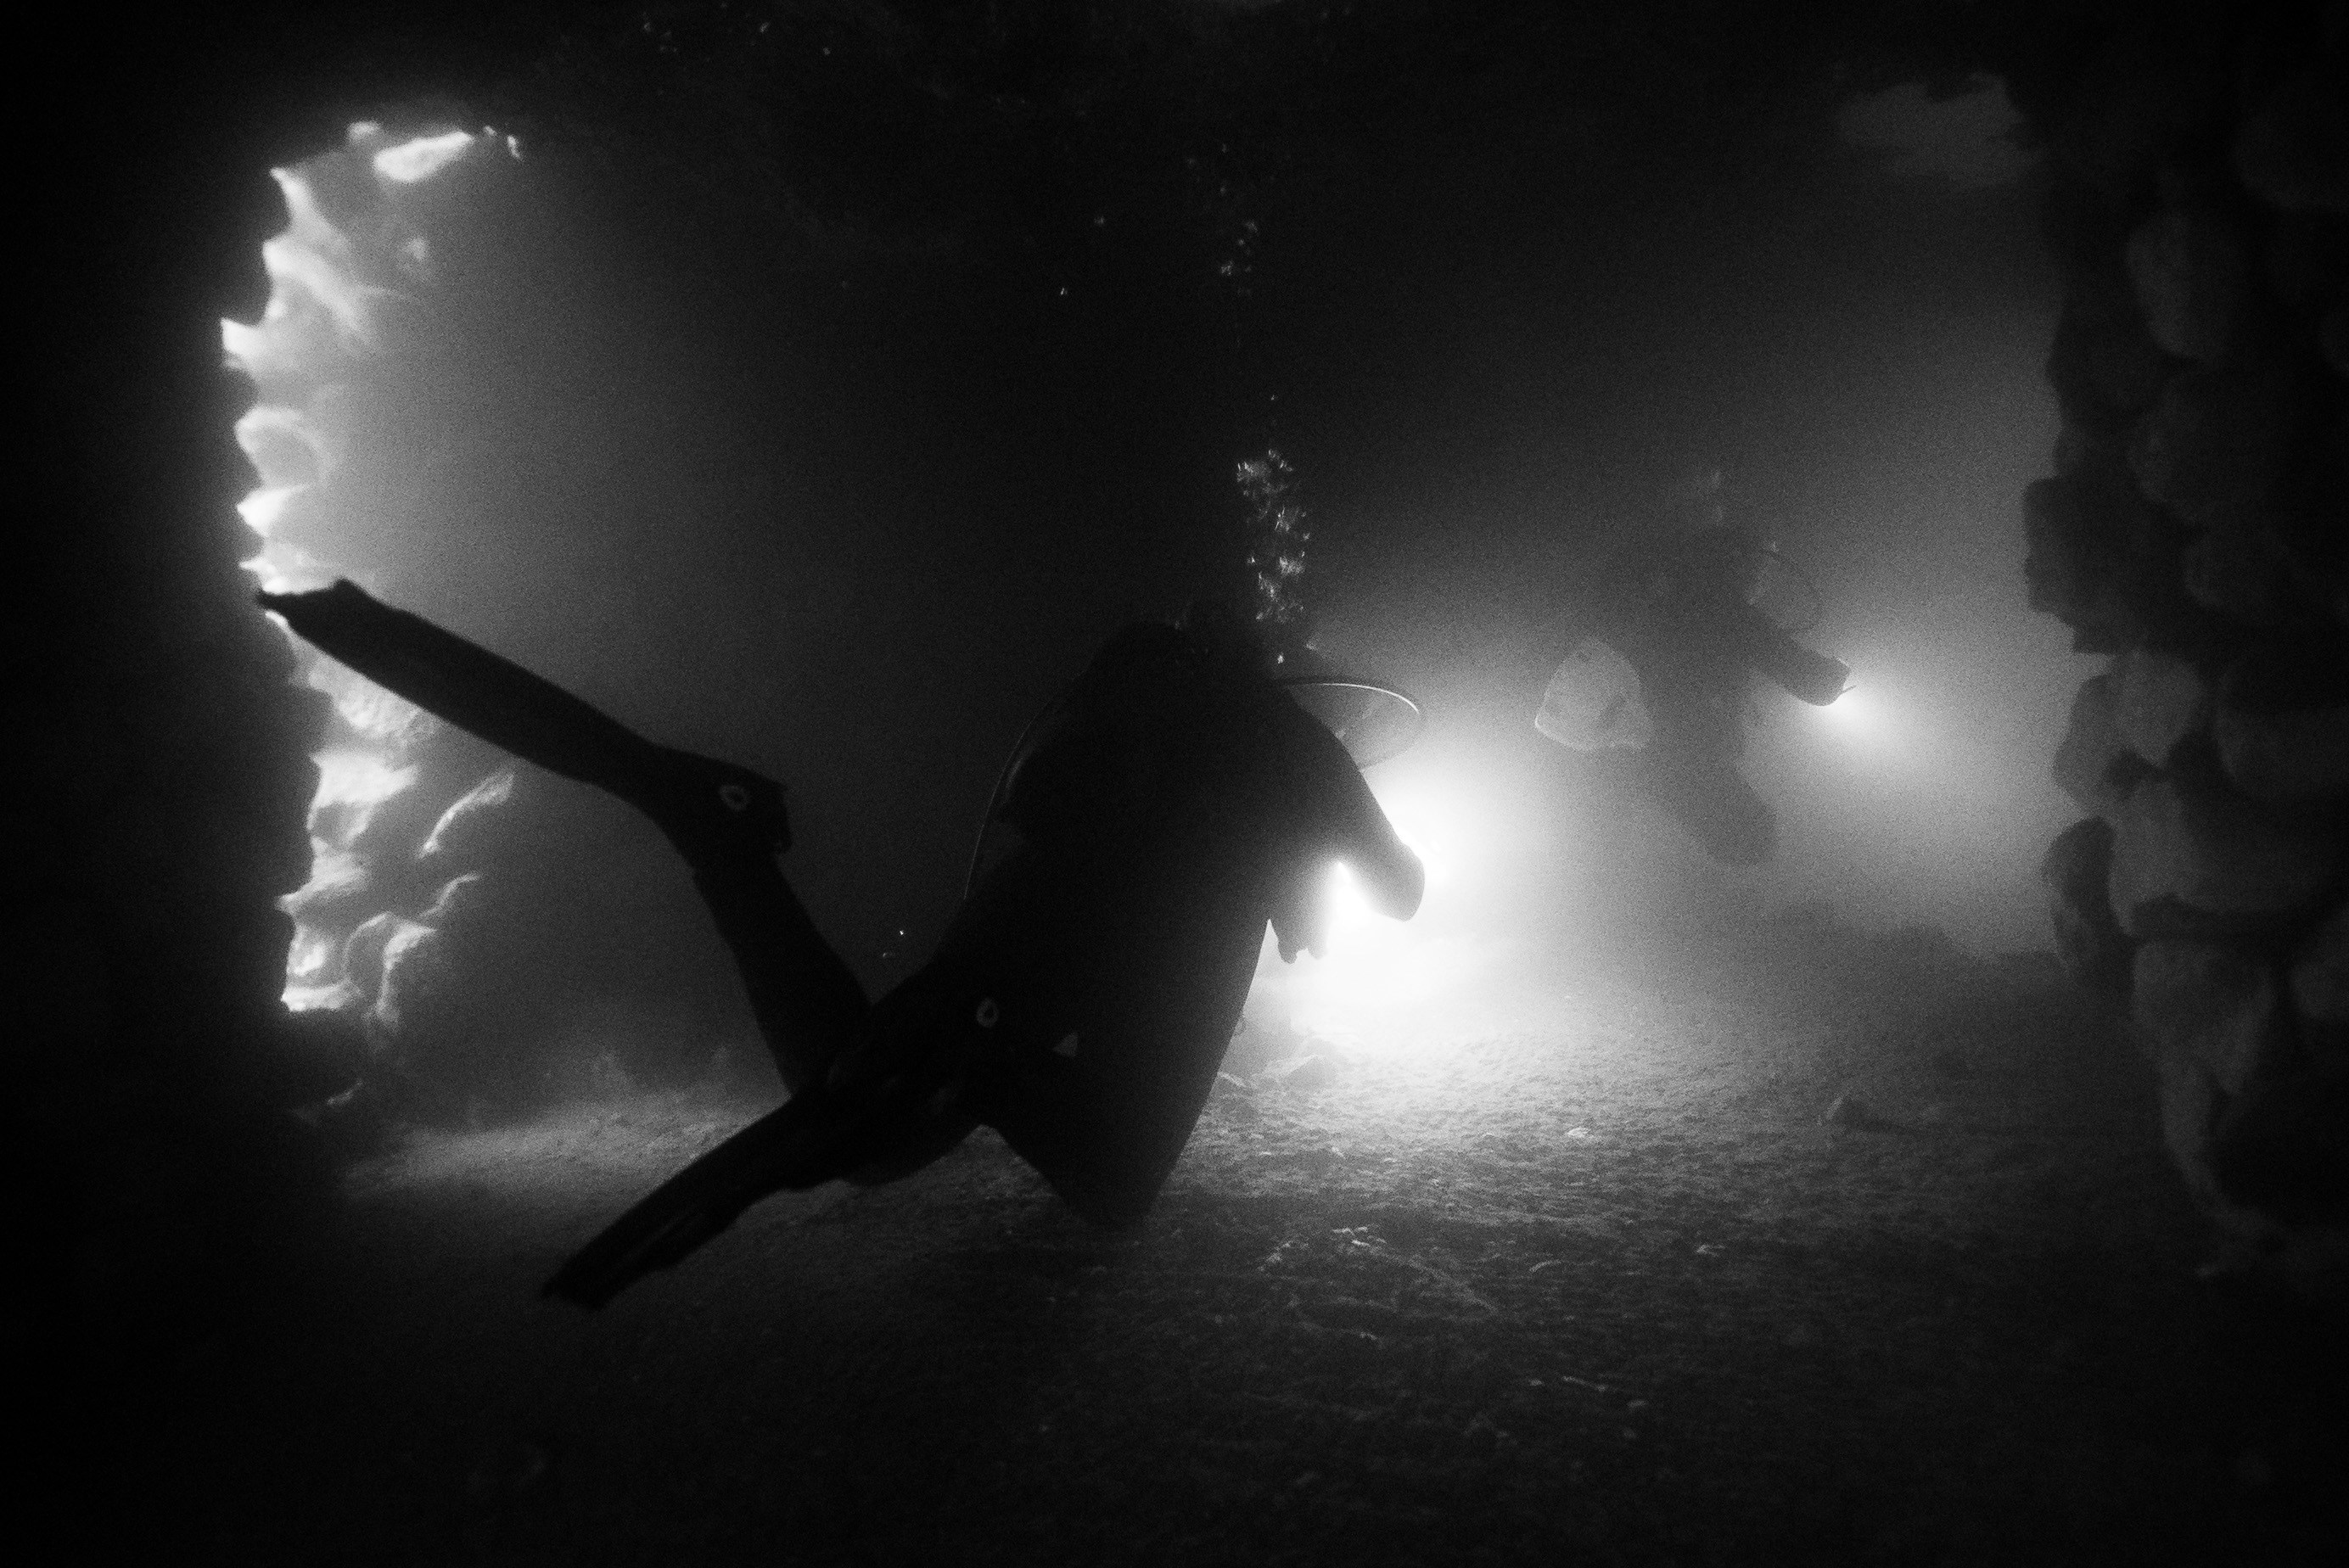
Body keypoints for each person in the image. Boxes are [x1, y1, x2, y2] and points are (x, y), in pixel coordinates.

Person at [260, 584, 1422, 1306]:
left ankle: (725, 846)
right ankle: (744, 863)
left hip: (1010, 944)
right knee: (1099, 1182)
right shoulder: (1281, 740)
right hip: (1049, 990)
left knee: (866, 1128)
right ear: (1265, 658)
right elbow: (1402, 891)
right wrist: (1306, 827)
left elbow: (1022, 829)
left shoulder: (1113, 711)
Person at [1536, 519, 1847, 866]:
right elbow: (1786, 664)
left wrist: (1755, 691)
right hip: (1654, 718)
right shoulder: (1717, 602)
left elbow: (1709, 647)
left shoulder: (1670, 589)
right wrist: (1821, 680)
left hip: (1627, 715)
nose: (1763, 582)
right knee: (1728, 812)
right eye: (1761, 567)